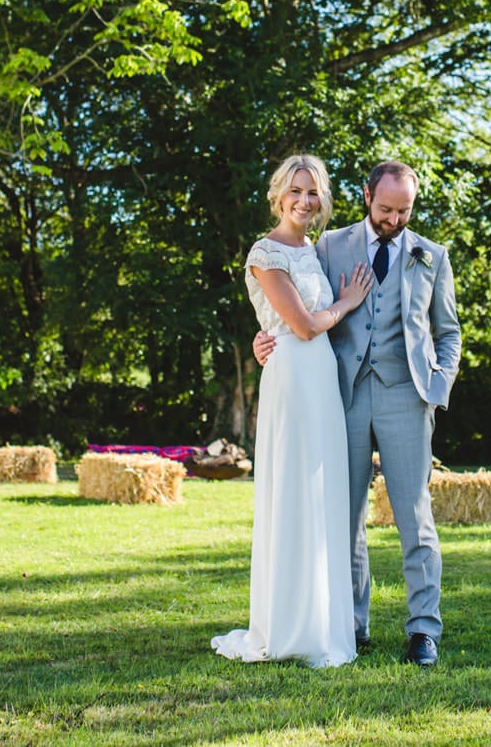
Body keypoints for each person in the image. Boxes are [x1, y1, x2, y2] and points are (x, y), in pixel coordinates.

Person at [254, 159, 462, 667]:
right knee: (342, 517)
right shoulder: (328, 245)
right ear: (368, 196)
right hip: (340, 393)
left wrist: (436, 389)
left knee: (414, 515)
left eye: (404, 211)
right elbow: (297, 306)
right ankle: (350, 625)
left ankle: (423, 631)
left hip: (406, 397)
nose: (394, 219)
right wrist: (262, 340)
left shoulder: (431, 256)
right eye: (387, 208)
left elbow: (449, 332)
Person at [212, 154, 375, 668]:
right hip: (292, 378)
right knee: (292, 495)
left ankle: (322, 621)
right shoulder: (266, 251)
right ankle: (286, 625)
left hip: (321, 378)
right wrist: (346, 303)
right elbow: (302, 326)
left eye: (313, 193)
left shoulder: (311, 249)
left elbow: (301, 328)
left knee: (321, 497)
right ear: (279, 194)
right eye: (296, 191)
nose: (304, 202)